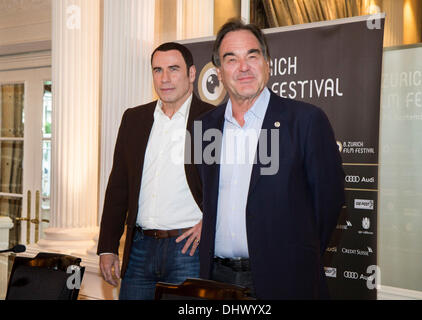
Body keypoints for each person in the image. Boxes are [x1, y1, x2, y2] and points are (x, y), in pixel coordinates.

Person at [195, 20, 345, 299]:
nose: (243, 67)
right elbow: (204, 192)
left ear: (267, 64)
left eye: (252, 56)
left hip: (286, 278)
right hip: (218, 280)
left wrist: (299, 255)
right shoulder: (206, 127)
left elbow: (329, 201)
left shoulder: (305, 121)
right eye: (232, 59)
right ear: (219, 72)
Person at [97, 42, 215, 300]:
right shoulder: (134, 119)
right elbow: (118, 188)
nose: (165, 78)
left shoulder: (212, 119)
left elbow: (230, 185)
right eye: (158, 70)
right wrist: (107, 247)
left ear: (192, 74)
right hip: (139, 249)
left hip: (188, 251)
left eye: (174, 69)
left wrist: (210, 222)